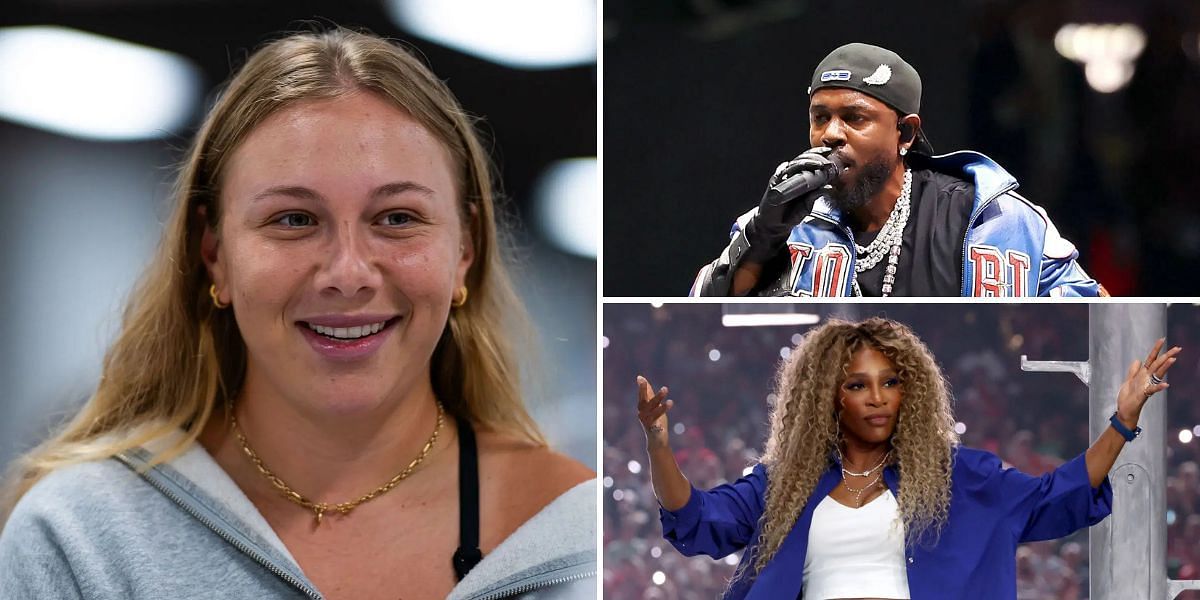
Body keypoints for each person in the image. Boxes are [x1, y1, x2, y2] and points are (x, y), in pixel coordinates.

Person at [0, 28, 595, 600]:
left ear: (464, 251)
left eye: (397, 218)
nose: (348, 273)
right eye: (294, 220)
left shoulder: (596, 538)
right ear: (215, 257)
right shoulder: (79, 536)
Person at [636, 318, 1178, 599]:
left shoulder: (960, 478)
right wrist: (659, 446)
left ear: (909, 390)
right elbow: (696, 519)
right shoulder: (783, 485)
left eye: (890, 382)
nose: (877, 397)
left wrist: (1122, 420)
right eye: (857, 384)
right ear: (828, 396)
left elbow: (1056, 495)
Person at [690, 43, 1104, 297]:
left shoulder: (994, 217)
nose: (831, 134)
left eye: (855, 118)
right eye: (820, 117)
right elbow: (702, 315)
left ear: (904, 133)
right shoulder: (780, 222)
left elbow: (1089, 315)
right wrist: (764, 234)